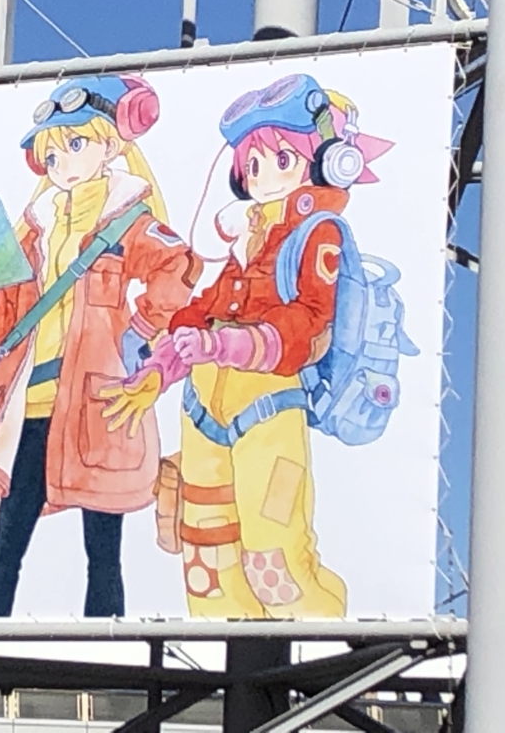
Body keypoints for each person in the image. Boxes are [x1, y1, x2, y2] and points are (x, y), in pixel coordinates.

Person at [103, 74, 392, 619]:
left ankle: (329, 652)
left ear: (326, 162)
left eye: (281, 159)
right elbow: (202, 311)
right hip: (203, 411)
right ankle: (223, 668)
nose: (261, 176)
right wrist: (158, 370)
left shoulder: (317, 234)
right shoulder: (249, 240)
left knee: (274, 566)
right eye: (252, 165)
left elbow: (307, 323)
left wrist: (225, 344)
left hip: (268, 408)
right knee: (207, 569)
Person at [0, 75, 191, 619]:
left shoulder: (128, 219)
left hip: (98, 403)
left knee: (103, 550)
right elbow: (5, 324)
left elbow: (179, 268)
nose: (63, 162)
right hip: (33, 403)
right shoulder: (38, 228)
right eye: (52, 154)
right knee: (8, 539)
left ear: (110, 145)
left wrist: (139, 332)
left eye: (75, 143)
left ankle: (108, 644)